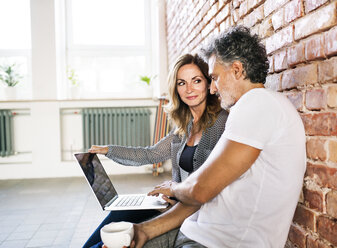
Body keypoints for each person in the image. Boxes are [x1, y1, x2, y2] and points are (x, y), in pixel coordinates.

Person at [127, 25, 306, 248]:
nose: (212, 88)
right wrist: (146, 230)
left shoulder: (258, 104)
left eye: (214, 78)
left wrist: (174, 188)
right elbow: (204, 191)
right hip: (195, 232)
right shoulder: (251, 109)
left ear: (238, 70)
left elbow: (198, 190)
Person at [83, 53, 228, 248]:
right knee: (118, 215)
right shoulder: (184, 128)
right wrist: (109, 150)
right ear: (175, 88)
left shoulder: (222, 123)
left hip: (190, 212)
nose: (189, 89)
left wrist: (177, 193)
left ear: (209, 83)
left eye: (197, 81)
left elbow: (215, 185)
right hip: (173, 203)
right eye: (181, 83)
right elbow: (150, 154)